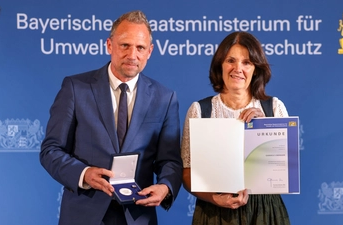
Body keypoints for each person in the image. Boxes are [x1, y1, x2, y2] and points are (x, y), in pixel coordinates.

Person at [40, 10, 183, 225]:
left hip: (138, 216)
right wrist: (84, 173)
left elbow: (169, 160)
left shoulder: (165, 98)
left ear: (150, 51)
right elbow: (51, 150)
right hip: (84, 214)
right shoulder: (76, 88)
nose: (132, 55)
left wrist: (165, 186)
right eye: (125, 45)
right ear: (109, 45)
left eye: (140, 48)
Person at [181, 31, 291, 225]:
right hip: (214, 213)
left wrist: (264, 128)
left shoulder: (274, 108)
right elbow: (188, 174)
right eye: (231, 60)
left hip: (264, 213)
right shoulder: (200, 110)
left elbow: (286, 173)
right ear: (220, 65)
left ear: (256, 69)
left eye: (246, 62)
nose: (237, 68)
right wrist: (215, 198)